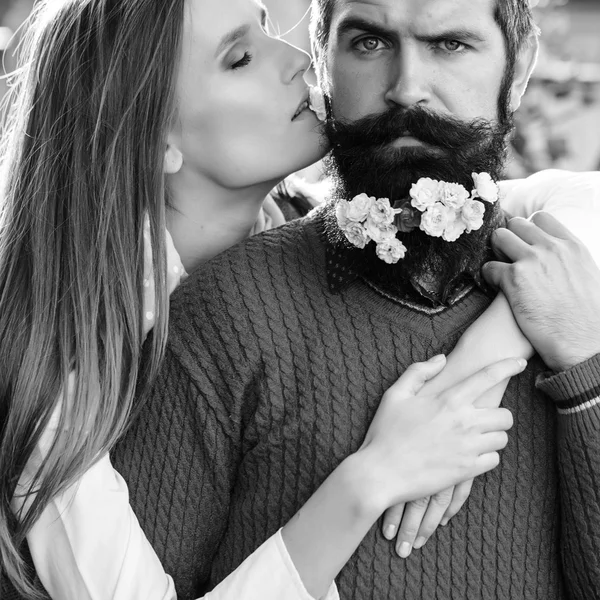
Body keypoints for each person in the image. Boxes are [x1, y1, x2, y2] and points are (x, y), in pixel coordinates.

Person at [0, 1, 530, 599]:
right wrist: (369, 479)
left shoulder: (315, 233)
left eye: (266, 26)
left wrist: (496, 342)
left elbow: (560, 203)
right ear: (154, 139)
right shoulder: (59, 392)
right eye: (240, 57)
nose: (300, 59)